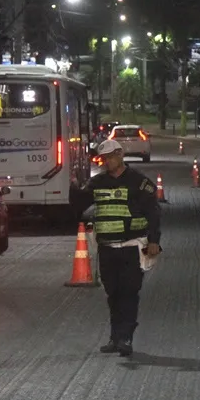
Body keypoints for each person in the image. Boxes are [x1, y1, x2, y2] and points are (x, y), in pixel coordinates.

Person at [73, 139, 161, 357]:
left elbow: (154, 213)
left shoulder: (139, 182)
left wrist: (154, 240)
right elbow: (78, 205)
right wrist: (72, 187)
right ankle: (115, 337)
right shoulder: (97, 182)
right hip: (107, 247)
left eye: (111, 157)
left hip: (132, 246)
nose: (107, 162)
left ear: (120, 154)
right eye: (103, 158)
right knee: (113, 293)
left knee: (129, 292)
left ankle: (126, 337)